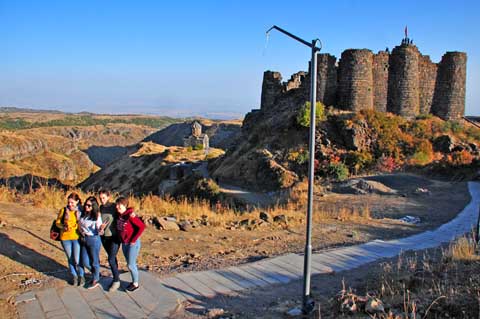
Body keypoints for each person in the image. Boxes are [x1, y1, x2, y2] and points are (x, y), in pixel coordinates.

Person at [116, 196, 145, 292]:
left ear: (124, 205)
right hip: (124, 243)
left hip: (132, 243)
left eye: (119, 205)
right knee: (129, 263)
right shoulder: (119, 215)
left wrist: (134, 240)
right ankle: (134, 279)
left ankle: (135, 283)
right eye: (117, 205)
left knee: (131, 265)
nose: (117, 207)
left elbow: (141, 226)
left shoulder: (130, 215)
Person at [56, 192, 84, 286]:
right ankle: (74, 275)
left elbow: (81, 223)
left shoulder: (79, 211)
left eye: (72, 202)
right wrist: (62, 227)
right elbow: (57, 222)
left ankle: (81, 275)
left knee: (77, 258)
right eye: (69, 202)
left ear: (77, 202)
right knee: (70, 257)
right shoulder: (63, 210)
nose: (70, 204)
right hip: (65, 237)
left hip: (76, 237)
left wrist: (74, 226)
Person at [99, 189, 121, 292]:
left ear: (108, 197)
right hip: (104, 237)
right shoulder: (101, 208)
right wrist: (101, 228)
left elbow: (123, 212)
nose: (102, 200)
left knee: (111, 259)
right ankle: (116, 273)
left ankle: (116, 281)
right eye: (100, 198)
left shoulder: (113, 207)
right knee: (113, 258)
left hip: (114, 237)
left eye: (103, 198)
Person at [79, 196, 102, 289]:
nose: (86, 207)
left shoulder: (96, 216)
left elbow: (100, 230)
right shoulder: (84, 214)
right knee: (84, 261)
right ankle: (96, 273)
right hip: (84, 238)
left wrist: (101, 229)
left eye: (89, 205)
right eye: (86, 204)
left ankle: (96, 279)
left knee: (94, 261)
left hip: (94, 239)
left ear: (93, 206)